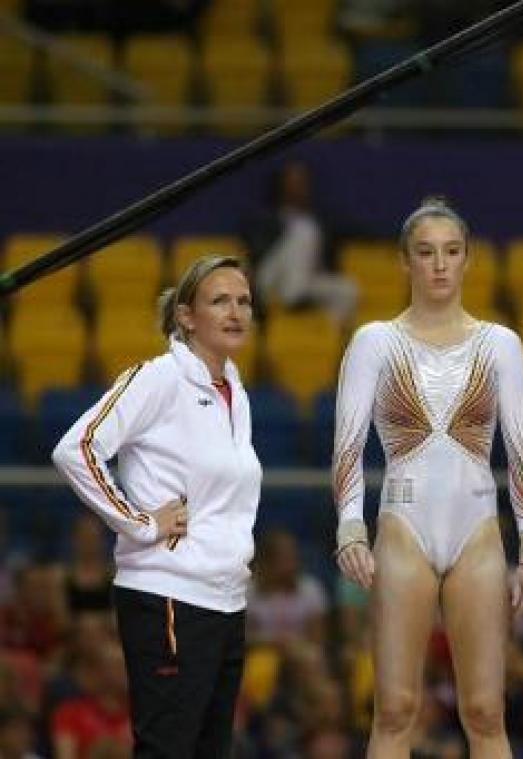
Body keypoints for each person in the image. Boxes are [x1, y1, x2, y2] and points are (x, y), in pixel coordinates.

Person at [331, 196, 523, 757]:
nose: (439, 264)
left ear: (468, 259)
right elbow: (348, 446)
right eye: (425, 253)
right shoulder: (374, 342)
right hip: (405, 526)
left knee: (484, 710)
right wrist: (350, 528)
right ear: (404, 262)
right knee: (396, 709)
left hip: (476, 529)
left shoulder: (500, 345)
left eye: (451, 251)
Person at [52, 255, 261, 757]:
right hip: (168, 593)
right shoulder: (158, 378)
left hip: (226, 599)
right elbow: (75, 449)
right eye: (219, 301)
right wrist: (140, 522)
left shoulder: (236, 390)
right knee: (167, 749)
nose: (235, 311)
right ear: (187, 316)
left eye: (244, 301)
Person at [249, 161, 358, 327]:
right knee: (304, 230)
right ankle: (294, 292)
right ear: (281, 185)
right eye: (292, 182)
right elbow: (257, 254)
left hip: (308, 281)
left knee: (347, 289)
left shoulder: (320, 220)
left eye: (301, 183)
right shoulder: (266, 219)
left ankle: (336, 345)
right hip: (272, 279)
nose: (298, 188)